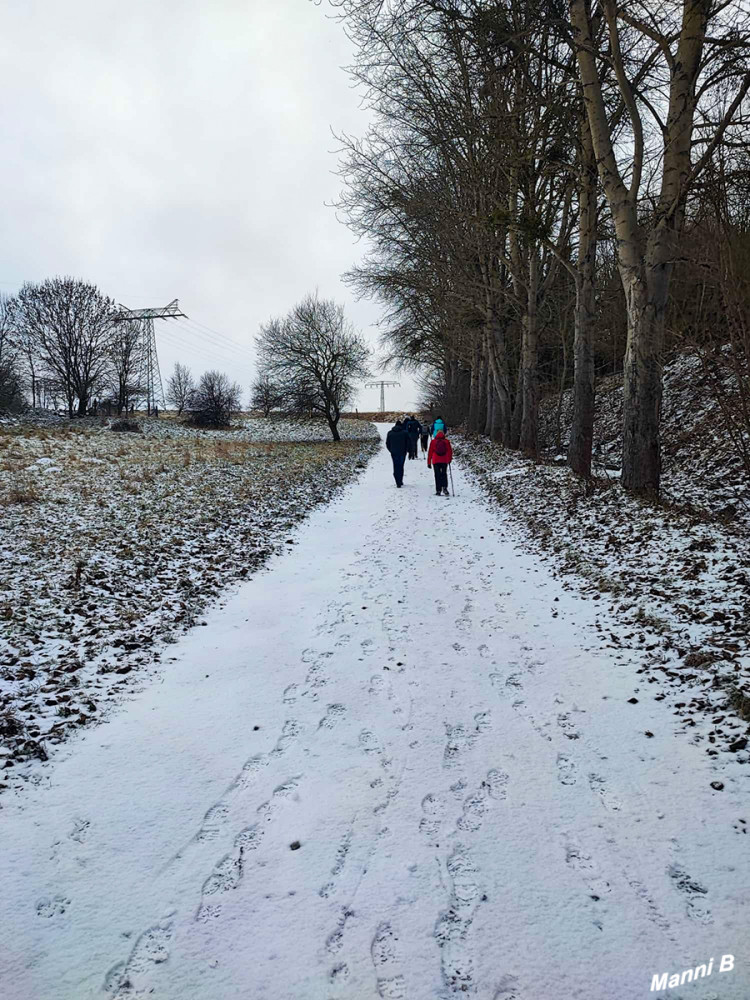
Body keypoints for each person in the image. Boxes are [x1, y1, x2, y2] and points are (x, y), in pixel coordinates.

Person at [427, 429, 453, 496]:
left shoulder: (433, 442)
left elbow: (430, 452)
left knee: (437, 475)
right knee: (444, 474)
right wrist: (449, 459)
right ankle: (444, 488)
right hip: (444, 460)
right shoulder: (446, 441)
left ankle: (438, 490)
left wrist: (429, 462)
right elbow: (450, 451)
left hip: (436, 460)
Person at [385, 419, 409, 487]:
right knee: (401, 466)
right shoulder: (405, 433)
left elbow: (387, 443)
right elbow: (408, 443)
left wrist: (391, 450)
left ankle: (397, 481)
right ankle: (400, 480)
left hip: (394, 452)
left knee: (395, 466)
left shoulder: (390, 433)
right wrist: (407, 450)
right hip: (402, 452)